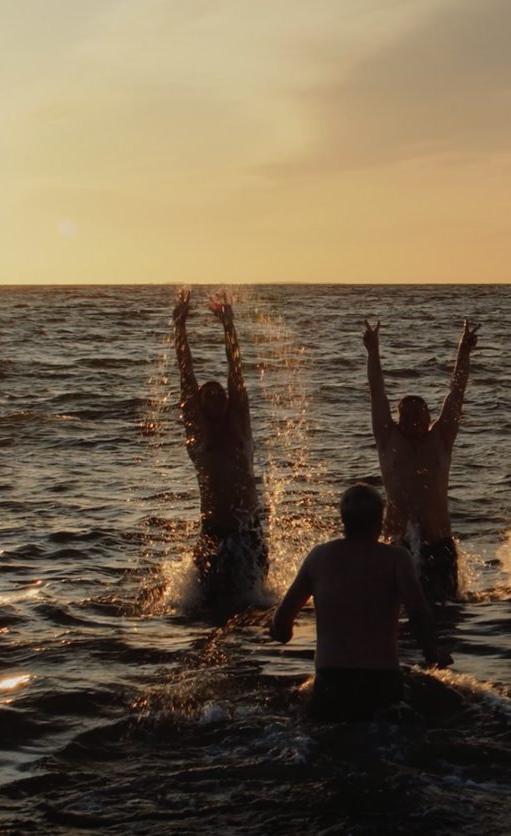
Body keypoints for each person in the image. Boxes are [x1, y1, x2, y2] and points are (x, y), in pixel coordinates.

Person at [269, 484, 453, 722]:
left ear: (343, 521)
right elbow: (418, 612)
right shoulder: (397, 559)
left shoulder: (319, 557)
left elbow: (283, 626)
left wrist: (275, 629)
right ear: (381, 520)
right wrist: (432, 654)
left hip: (331, 683)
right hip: (382, 682)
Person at [363, 318, 478, 602]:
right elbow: (377, 393)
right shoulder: (388, 439)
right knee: (393, 612)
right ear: (398, 418)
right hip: (396, 545)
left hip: (438, 543)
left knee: (445, 614)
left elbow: (456, 393)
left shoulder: (441, 438)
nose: (413, 420)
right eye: (407, 414)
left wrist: (464, 353)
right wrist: (373, 352)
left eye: (419, 414)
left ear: (430, 418)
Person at [172, 287, 267, 607]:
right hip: (214, 530)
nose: (215, 394)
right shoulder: (199, 435)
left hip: (249, 528)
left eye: (219, 392)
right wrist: (180, 326)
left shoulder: (240, 424)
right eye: (207, 393)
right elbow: (186, 372)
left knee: (255, 605)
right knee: (205, 608)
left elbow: (235, 373)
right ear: (197, 405)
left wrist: (229, 326)